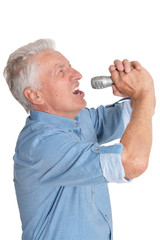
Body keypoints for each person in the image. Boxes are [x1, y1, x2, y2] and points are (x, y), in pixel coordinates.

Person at [3, 39, 155, 240]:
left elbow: (141, 113)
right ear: (35, 95)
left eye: (70, 67)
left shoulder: (81, 119)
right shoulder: (41, 145)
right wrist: (143, 94)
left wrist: (142, 85)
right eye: (61, 71)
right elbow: (133, 163)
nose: (77, 75)